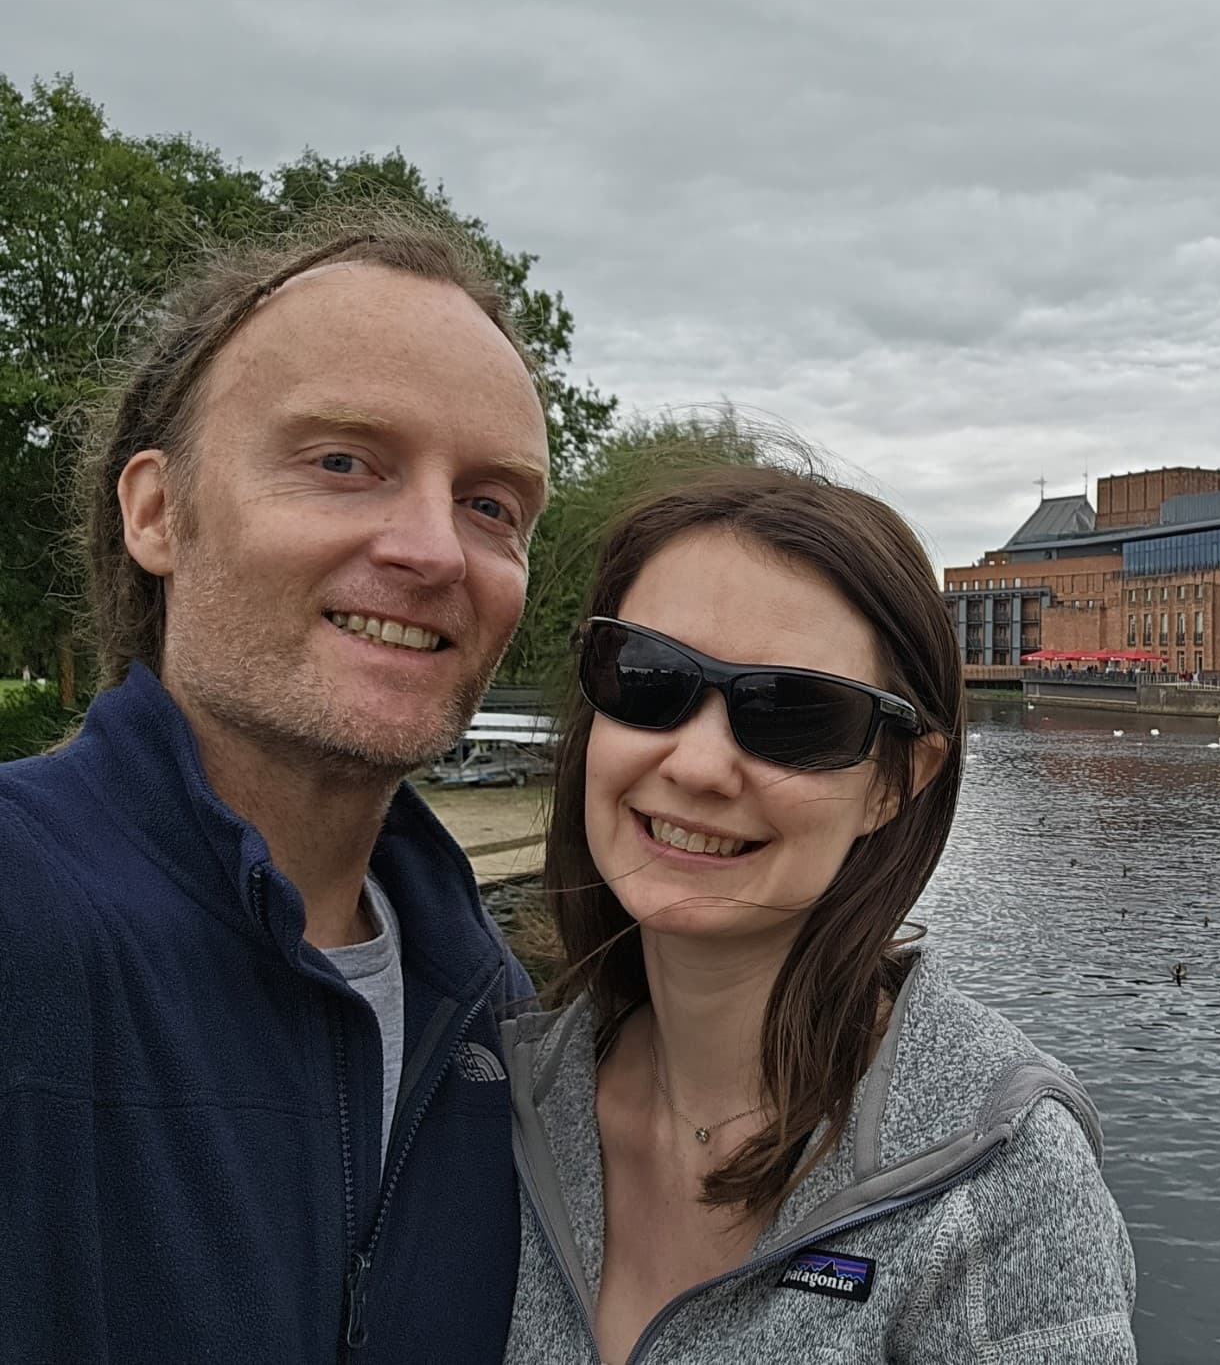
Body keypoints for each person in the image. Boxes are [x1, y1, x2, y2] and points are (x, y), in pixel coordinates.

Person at [0, 216, 551, 1363]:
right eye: (343, 462)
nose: (435, 550)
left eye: (491, 503)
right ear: (156, 512)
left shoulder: (501, 1016)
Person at [503, 467, 1137, 1363]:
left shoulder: (1000, 1179)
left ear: (895, 783)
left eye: (795, 715)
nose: (698, 765)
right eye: (650, 679)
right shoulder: (502, 1099)